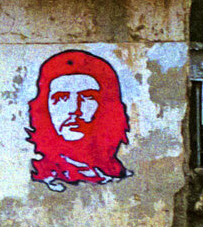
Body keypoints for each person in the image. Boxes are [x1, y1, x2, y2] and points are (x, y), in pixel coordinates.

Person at [27, 48, 134, 191]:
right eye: (61, 98)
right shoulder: (40, 181)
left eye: (88, 97)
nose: (74, 110)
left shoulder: (123, 181)